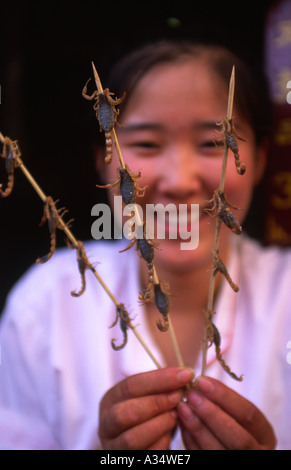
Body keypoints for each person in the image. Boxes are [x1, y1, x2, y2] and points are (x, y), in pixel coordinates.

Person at [0, 39, 290, 450]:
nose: (179, 181)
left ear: (259, 159)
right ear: (105, 160)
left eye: (213, 143)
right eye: (146, 145)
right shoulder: (44, 305)